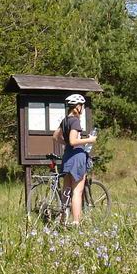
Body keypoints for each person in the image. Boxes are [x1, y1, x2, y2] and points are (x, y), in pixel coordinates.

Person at [52, 93, 97, 224]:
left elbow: (55, 136)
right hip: (77, 157)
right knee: (77, 191)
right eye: (82, 106)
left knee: (66, 190)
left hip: (67, 157)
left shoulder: (65, 120)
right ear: (77, 107)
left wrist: (66, 143)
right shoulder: (75, 121)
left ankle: (63, 220)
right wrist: (90, 139)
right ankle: (76, 222)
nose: (82, 108)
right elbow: (73, 140)